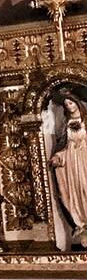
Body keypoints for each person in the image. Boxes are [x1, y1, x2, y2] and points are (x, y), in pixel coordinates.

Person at [50, 92, 87, 247]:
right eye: (66, 105)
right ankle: (81, 223)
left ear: (77, 103)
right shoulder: (66, 124)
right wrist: (58, 156)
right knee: (76, 190)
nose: (69, 107)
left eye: (71, 103)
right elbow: (64, 145)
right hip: (72, 163)